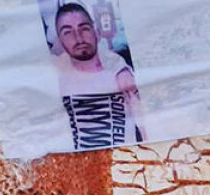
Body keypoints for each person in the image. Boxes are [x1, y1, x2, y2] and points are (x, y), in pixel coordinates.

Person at [50, 3, 145, 150]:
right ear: (60, 42)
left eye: (84, 28)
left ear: (97, 33)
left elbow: (146, 125)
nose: (78, 38)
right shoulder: (55, 73)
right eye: (67, 32)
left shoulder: (119, 73)